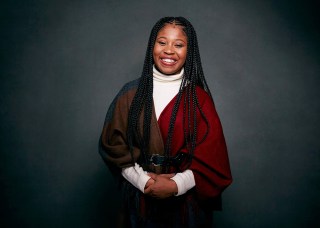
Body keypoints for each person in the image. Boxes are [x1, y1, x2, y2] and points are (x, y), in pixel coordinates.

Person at [99, 16, 232, 227]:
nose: (169, 50)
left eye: (178, 44)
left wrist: (176, 185)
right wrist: (144, 182)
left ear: (189, 51)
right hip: (139, 201)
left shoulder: (198, 99)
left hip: (186, 208)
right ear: (152, 46)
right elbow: (113, 147)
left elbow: (214, 162)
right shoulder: (130, 94)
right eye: (162, 42)